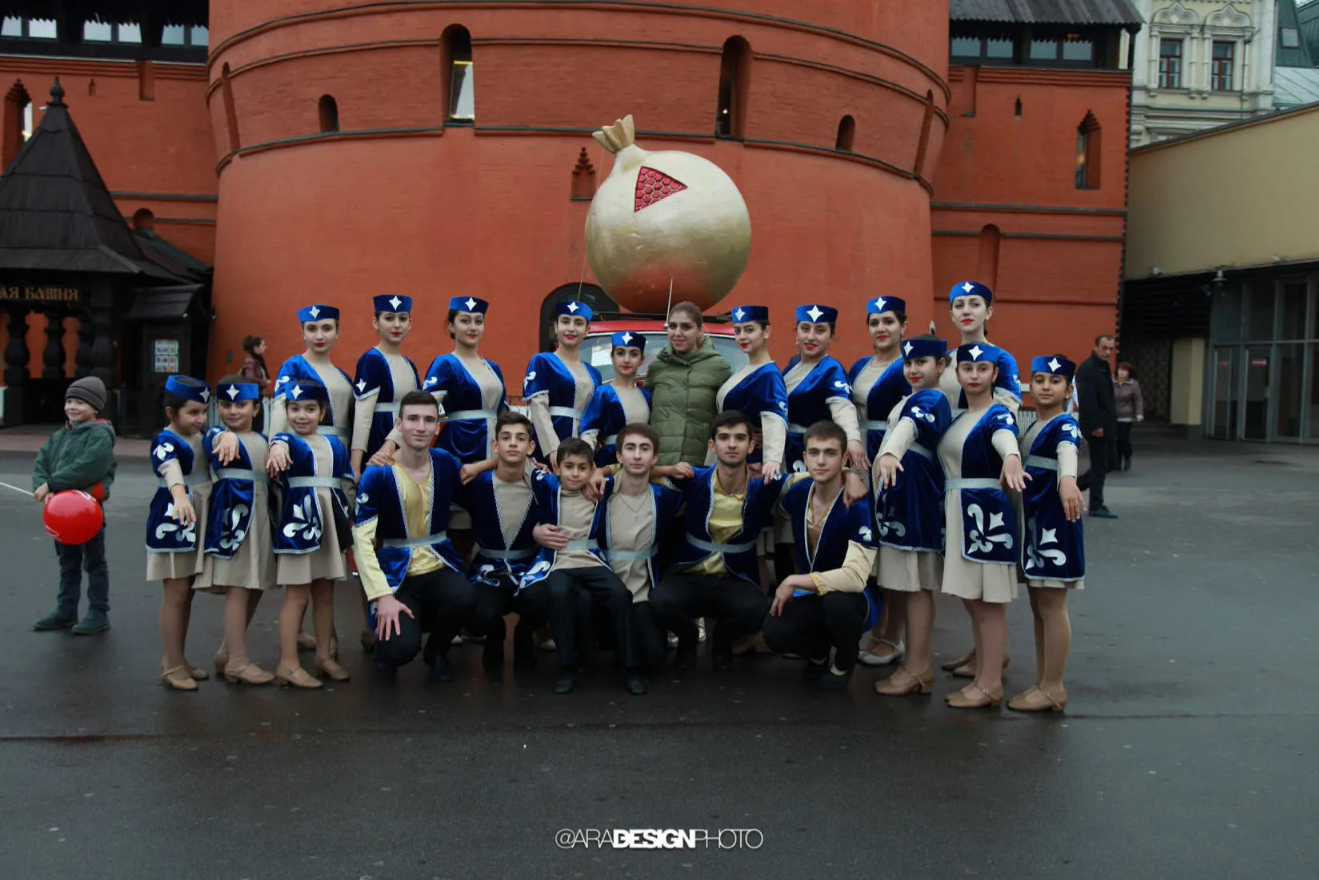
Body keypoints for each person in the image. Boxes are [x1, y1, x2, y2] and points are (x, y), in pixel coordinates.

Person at [649, 410, 787, 671]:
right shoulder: (695, 478)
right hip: (689, 574)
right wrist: (667, 468)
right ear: (712, 445)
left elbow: (807, 480)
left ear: (751, 445)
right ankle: (688, 639)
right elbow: (636, 470)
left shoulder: (764, 483)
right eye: (724, 438)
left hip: (734, 578)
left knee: (758, 607)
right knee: (659, 600)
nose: (732, 444)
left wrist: (848, 476)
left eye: (739, 438)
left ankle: (722, 642)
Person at [353, 391, 475, 682]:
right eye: (412, 419)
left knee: (467, 597)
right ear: (399, 424)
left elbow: (480, 488)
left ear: (437, 426)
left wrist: (529, 469)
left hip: (437, 564)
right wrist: (382, 596)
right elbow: (362, 541)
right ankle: (387, 651)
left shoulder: (445, 462)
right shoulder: (378, 473)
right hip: (397, 573)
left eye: (428, 420)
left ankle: (437, 652)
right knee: (400, 649)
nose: (420, 427)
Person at [936, 343, 1027, 709]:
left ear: (995, 374)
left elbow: (1005, 437)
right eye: (967, 369)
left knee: (988, 605)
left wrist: (1012, 456)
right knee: (972, 600)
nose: (974, 375)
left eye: (982, 369)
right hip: (958, 513)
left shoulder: (997, 414)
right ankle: (982, 674)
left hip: (985, 518)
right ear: (957, 374)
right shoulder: (960, 416)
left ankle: (990, 685)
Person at [763, 420, 880, 692]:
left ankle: (844, 660)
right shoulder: (798, 492)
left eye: (830, 453)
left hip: (855, 597)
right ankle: (818, 652)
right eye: (814, 453)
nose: (821, 461)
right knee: (774, 629)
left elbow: (854, 578)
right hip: (812, 593)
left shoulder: (858, 504)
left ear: (844, 458)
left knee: (838, 605)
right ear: (804, 458)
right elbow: (776, 506)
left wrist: (792, 580)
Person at [266, 304, 357, 652]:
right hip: (301, 460)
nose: (320, 335)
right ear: (302, 332)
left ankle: (320, 636)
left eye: (327, 328)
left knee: (325, 558)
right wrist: (276, 443)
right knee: (302, 554)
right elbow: (281, 408)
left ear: (337, 332)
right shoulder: (294, 366)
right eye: (312, 328)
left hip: (333, 462)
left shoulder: (343, 377)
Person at [519, 438, 641, 695]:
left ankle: (630, 667)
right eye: (569, 467)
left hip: (591, 557)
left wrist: (600, 472)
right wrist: (535, 529)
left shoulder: (599, 487)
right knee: (558, 593)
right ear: (557, 468)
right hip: (560, 559)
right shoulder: (547, 485)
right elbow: (517, 460)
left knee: (620, 594)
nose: (575, 473)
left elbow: (628, 468)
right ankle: (566, 667)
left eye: (582, 468)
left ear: (590, 468)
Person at [872, 337, 953, 696]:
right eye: (908, 363)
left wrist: (890, 452)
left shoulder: (932, 398)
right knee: (903, 584)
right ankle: (907, 657)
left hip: (916, 501)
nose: (913, 369)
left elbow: (910, 427)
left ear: (941, 365)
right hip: (899, 500)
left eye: (922, 362)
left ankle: (918, 665)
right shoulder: (910, 397)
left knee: (917, 585)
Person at [267, 378, 355, 688]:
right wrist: (276, 447)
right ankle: (288, 663)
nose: (301, 415)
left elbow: (346, 482)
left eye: (309, 409)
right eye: (294, 409)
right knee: (297, 595)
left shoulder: (335, 445)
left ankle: (323, 656)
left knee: (325, 593)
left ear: (322, 412)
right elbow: (277, 445)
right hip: (298, 528)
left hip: (329, 526)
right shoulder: (286, 441)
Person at [1011, 355, 1086, 713]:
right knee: (1038, 605)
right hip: (1035, 525)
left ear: (1068, 390)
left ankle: (1054, 686)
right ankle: (1043, 680)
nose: (1045, 386)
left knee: (1052, 606)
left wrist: (1068, 479)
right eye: (1039, 379)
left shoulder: (1064, 424)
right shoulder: (1032, 426)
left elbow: (1068, 449)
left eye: (1054, 381)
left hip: (1055, 526)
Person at [776, 303, 864, 581]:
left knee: (804, 527)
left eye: (820, 330)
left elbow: (843, 407)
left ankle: (810, 588)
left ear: (831, 336)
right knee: (783, 530)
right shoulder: (792, 366)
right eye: (805, 329)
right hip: (785, 452)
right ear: (796, 333)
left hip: (811, 456)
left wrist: (852, 439)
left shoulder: (832, 369)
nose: (811, 336)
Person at [198, 377, 276, 685]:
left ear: (256, 408)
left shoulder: (264, 439)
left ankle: (226, 652)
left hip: (261, 517)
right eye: (226, 405)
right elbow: (212, 438)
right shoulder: (218, 436)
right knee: (239, 587)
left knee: (255, 585)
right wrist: (224, 434)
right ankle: (238, 662)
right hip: (234, 521)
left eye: (241, 405)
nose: (233, 411)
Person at [849, 295, 912, 667]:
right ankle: (876, 628)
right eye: (874, 322)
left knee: (894, 550)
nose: (881, 328)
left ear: (903, 326)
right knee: (869, 546)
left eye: (889, 321)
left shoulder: (909, 366)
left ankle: (894, 634)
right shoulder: (859, 366)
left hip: (893, 459)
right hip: (860, 458)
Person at [591, 423, 681, 677]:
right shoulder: (600, 490)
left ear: (655, 457)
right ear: (619, 456)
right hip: (603, 592)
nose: (638, 455)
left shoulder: (665, 496)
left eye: (645, 449)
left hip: (641, 594)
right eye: (630, 448)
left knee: (653, 658)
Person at [456, 411, 543, 669]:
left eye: (520, 438)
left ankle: (524, 634)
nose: (513, 443)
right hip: (488, 571)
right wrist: (479, 465)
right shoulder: (477, 484)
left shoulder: (543, 485)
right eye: (506, 438)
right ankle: (495, 632)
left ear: (531, 447)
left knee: (551, 595)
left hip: (529, 570)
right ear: (495, 445)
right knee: (472, 608)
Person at [31, 376, 117, 634]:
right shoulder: (61, 435)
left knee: (94, 562)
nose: (72, 407)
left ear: (95, 408)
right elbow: (42, 462)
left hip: (87, 511)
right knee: (67, 562)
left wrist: (52, 483)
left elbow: (88, 467)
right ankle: (66, 610)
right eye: (69, 401)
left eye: (80, 402)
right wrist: (42, 486)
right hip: (61, 513)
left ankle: (99, 613)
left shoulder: (100, 435)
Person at [146, 375, 213, 691]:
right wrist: (180, 495)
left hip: (199, 514)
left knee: (187, 592)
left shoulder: (203, 435)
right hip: (174, 520)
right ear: (171, 412)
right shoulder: (165, 440)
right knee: (176, 593)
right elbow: (169, 467)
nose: (200, 419)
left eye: (204, 412)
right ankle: (172, 664)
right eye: (193, 412)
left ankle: (177, 658)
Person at [646, 301, 733, 466]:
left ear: (700, 331)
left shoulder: (719, 367)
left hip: (702, 466)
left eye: (686, 327)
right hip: (660, 467)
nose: (677, 333)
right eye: (672, 326)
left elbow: (730, 415)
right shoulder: (657, 366)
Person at [523, 300, 600, 466]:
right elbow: (539, 408)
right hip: (546, 449)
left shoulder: (594, 374)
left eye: (578, 323)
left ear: (587, 329)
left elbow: (593, 418)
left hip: (580, 455)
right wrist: (553, 450)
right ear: (556, 327)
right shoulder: (543, 361)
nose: (571, 328)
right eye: (565, 321)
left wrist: (585, 452)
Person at [716, 305, 787, 480]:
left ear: (766, 331)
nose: (742, 336)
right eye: (737, 331)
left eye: (749, 330)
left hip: (751, 462)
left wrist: (771, 460)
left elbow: (775, 419)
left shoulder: (768, 374)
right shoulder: (746, 369)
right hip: (732, 454)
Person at [350, 293, 419, 474]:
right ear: (376, 322)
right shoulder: (372, 359)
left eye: (402, 319)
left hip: (407, 449)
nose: (397, 325)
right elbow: (363, 415)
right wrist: (355, 465)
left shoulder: (409, 364)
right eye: (389, 318)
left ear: (410, 323)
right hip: (378, 448)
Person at [938, 281, 1021, 417]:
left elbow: (1007, 413)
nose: (966, 311)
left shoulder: (1001, 358)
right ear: (952, 315)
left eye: (975, 304)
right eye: (959, 306)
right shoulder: (944, 359)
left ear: (988, 312)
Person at [580, 332, 651, 467]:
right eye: (620, 353)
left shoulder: (647, 396)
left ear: (642, 359)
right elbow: (589, 431)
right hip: (609, 461)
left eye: (634, 354)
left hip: (640, 463)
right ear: (612, 357)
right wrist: (585, 461)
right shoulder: (603, 393)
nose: (626, 360)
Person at [1075, 334, 1119, 518]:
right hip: (1097, 426)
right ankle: (1096, 504)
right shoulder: (1088, 369)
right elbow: (1087, 400)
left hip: (1107, 425)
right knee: (1100, 465)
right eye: (1104, 348)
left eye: (1111, 349)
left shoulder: (1103, 367)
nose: (1108, 352)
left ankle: (1075, 486)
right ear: (1095, 348)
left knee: (1110, 462)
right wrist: (1095, 426)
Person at [1114, 360, 1144, 472]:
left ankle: (1127, 456)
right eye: (1120, 370)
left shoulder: (1133, 384)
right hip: (1113, 415)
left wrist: (1139, 414)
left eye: (1124, 371)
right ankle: (1117, 462)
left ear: (1129, 373)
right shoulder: (1112, 382)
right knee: (1115, 439)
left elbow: (1138, 400)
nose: (1121, 373)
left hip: (1126, 415)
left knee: (1123, 438)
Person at [241, 335, 271, 432]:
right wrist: (264, 382)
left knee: (258, 425)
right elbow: (250, 378)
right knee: (256, 425)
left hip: (258, 396)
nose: (265, 347)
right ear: (256, 347)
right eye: (262, 345)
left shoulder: (258, 360)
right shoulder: (251, 361)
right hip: (254, 396)